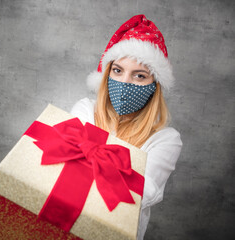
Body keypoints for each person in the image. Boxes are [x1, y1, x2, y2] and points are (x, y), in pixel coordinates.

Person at [70, 15, 182, 239]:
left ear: (154, 86)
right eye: (118, 71)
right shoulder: (85, 110)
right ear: (106, 73)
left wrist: (89, 157)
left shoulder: (165, 140)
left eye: (139, 76)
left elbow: (141, 194)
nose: (125, 83)